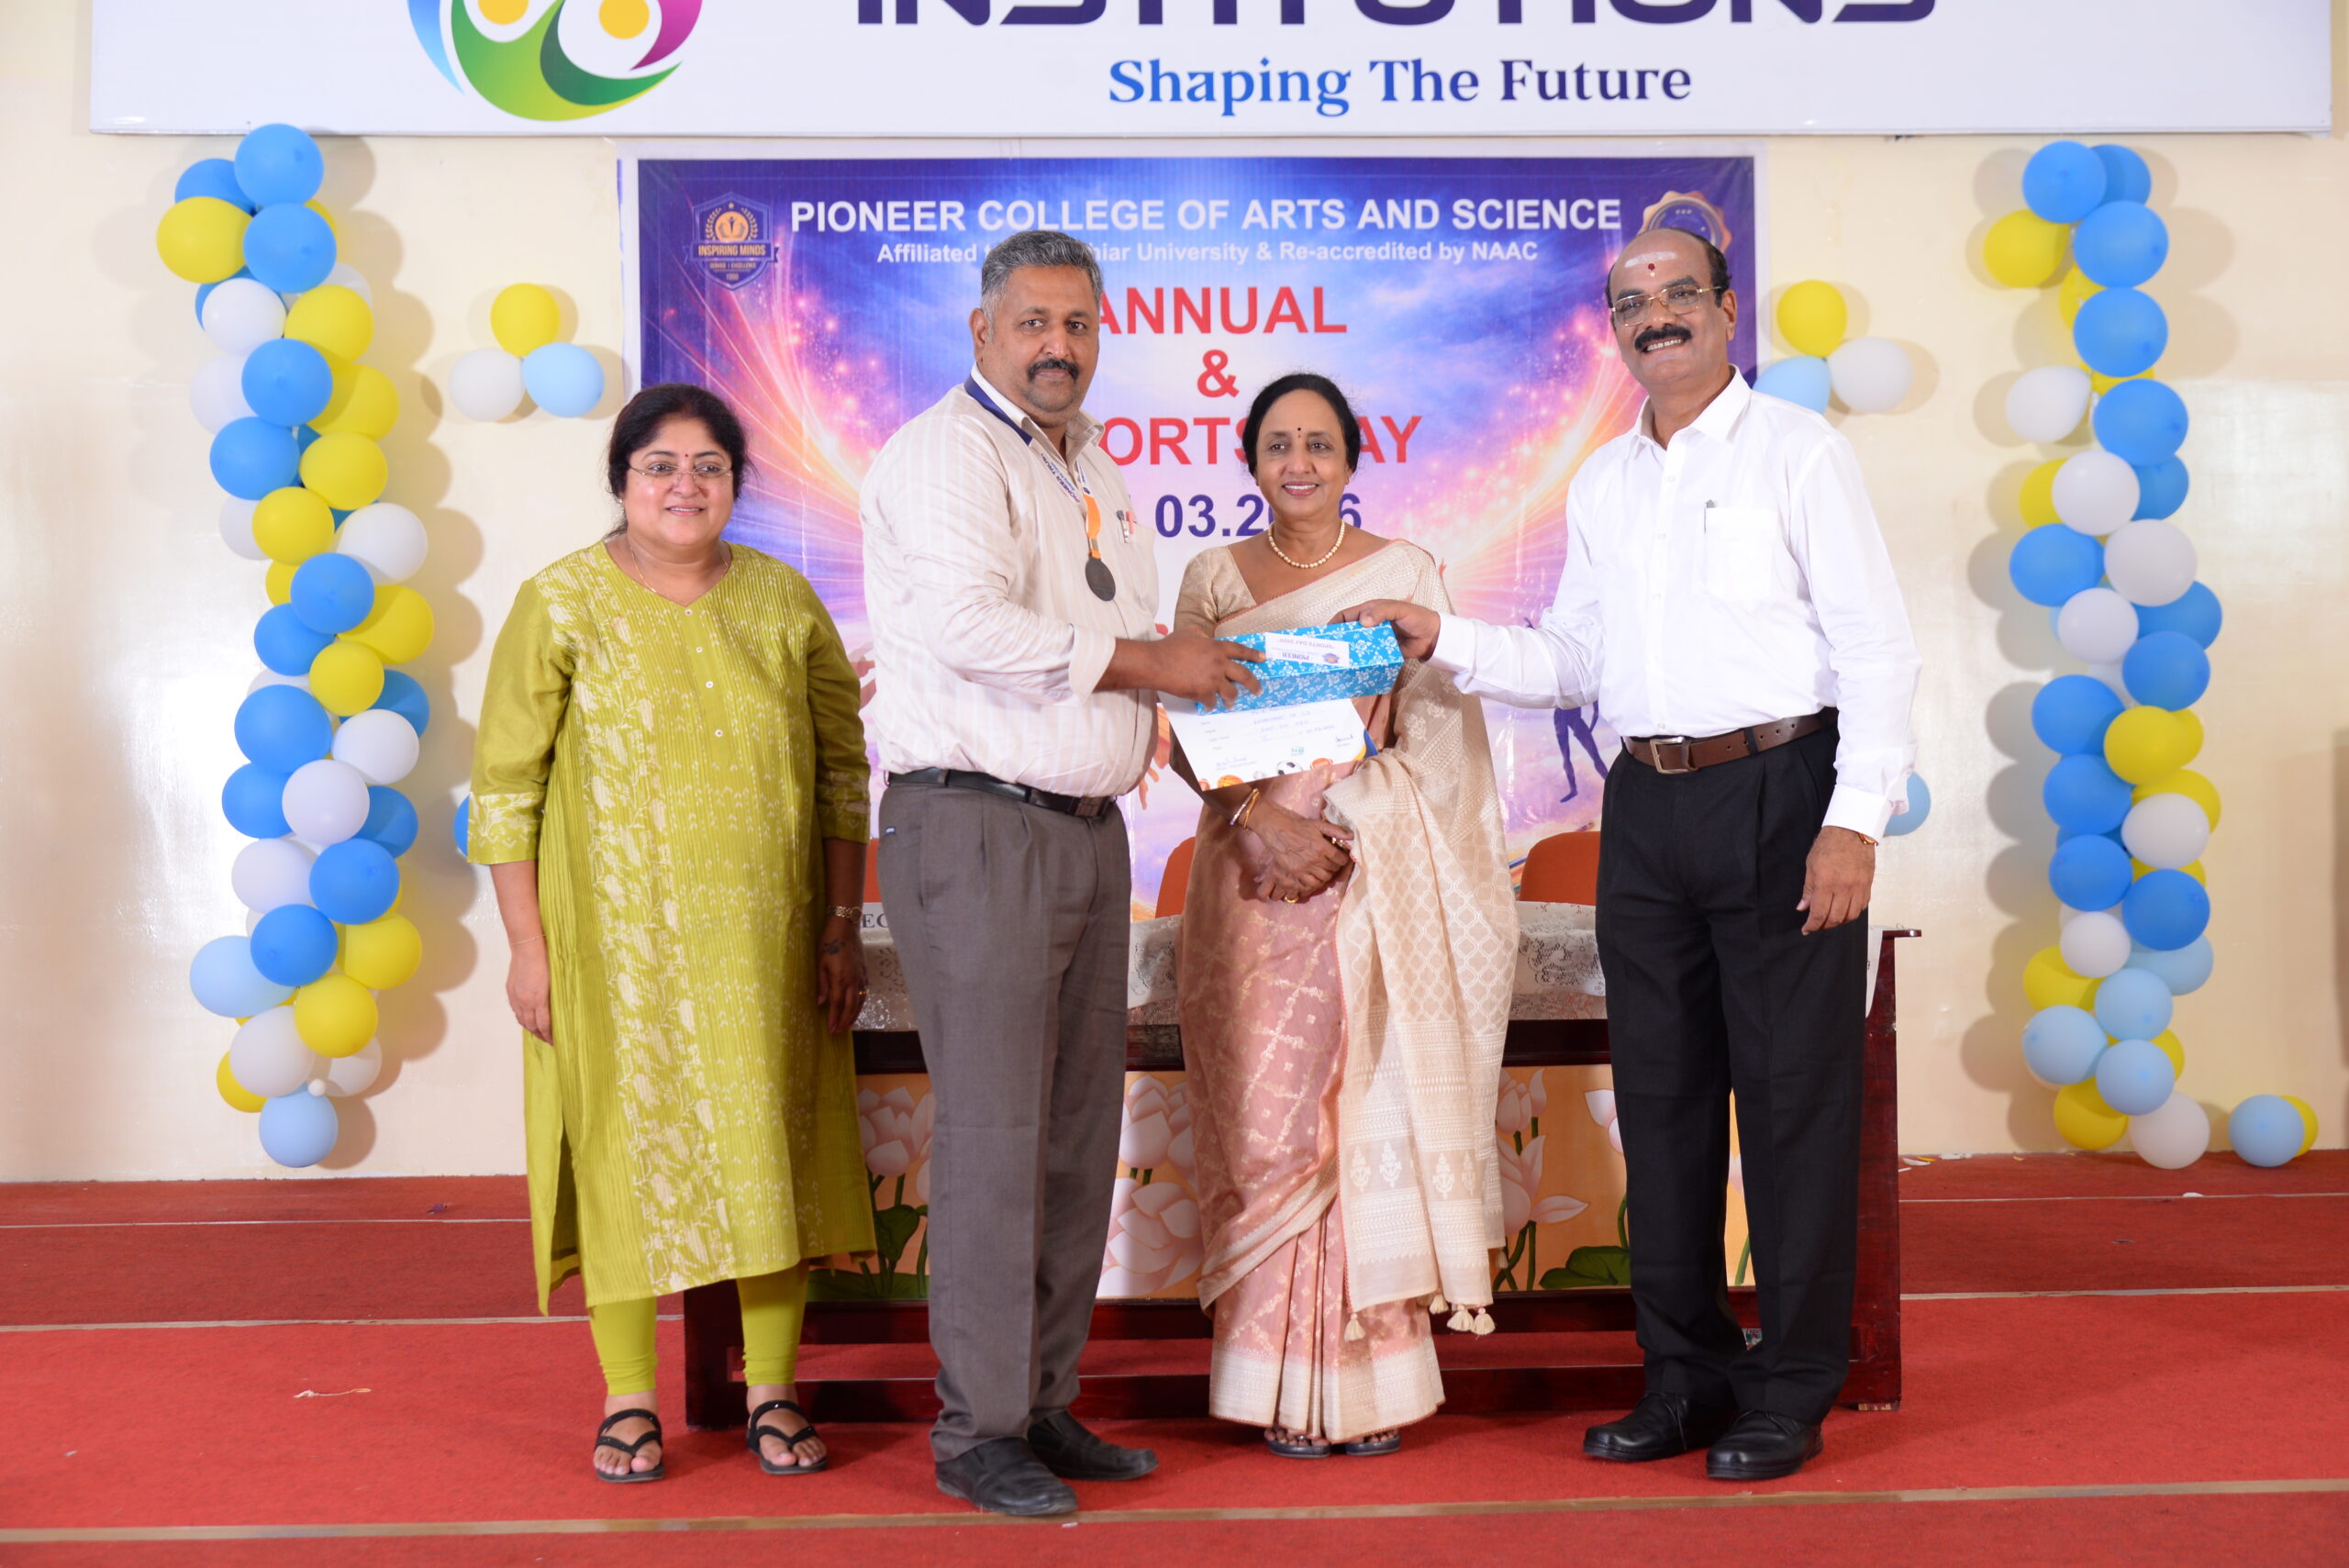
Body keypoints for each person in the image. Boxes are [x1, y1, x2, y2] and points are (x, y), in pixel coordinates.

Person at [1348, 227, 1920, 1482]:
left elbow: (1878, 646)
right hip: (1646, 807)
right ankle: (1685, 1378)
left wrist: (1854, 821)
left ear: (1726, 309)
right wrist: (1440, 634)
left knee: (1791, 1103)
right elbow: (1574, 660)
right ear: (1614, 329)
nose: (1656, 315)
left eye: (1678, 293)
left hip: (1785, 790)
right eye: (1631, 302)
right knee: (1660, 1102)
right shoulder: (1604, 481)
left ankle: (1792, 1386)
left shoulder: (1800, 452)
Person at [859, 230, 1264, 1518]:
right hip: (977, 824)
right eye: (1032, 322)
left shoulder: (1089, 460)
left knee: (1076, 1136)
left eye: (1078, 325)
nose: (1057, 346)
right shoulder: (946, 453)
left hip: (1086, 832)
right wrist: (1158, 671)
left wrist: (1200, 745)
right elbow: (968, 627)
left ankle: (1039, 1400)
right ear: (982, 332)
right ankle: (977, 1430)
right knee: (994, 1137)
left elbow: (1112, 638)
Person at [470, 383, 876, 1484]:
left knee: (768, 1150)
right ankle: (628, 1398)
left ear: (737, 482)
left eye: (708, 466)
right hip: (613, 950)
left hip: (766, 945)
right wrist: (528, 948)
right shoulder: (560, 602)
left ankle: (772, 1387)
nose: (684, 485)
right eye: (660, 465)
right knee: (621, 1150)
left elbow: (844, 773)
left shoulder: (783, 599)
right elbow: (503, 791)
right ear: (621, 480)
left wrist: (841, 926)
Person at [1171, 373, 1517, 1458]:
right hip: (1247, 879)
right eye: (1278, 443)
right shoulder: (1211, 577)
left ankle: (1370, 1384)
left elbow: (1441, 747)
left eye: (1319, 444)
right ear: (1250, 460)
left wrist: (1343, 812)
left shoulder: (1404, 573)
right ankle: (1274, 1383)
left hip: (1366, 875)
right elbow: (1183, 730)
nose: (1299, 463)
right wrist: (1262, 818)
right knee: (1268, 1122)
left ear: (1352, 459)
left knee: (1365, 1107)